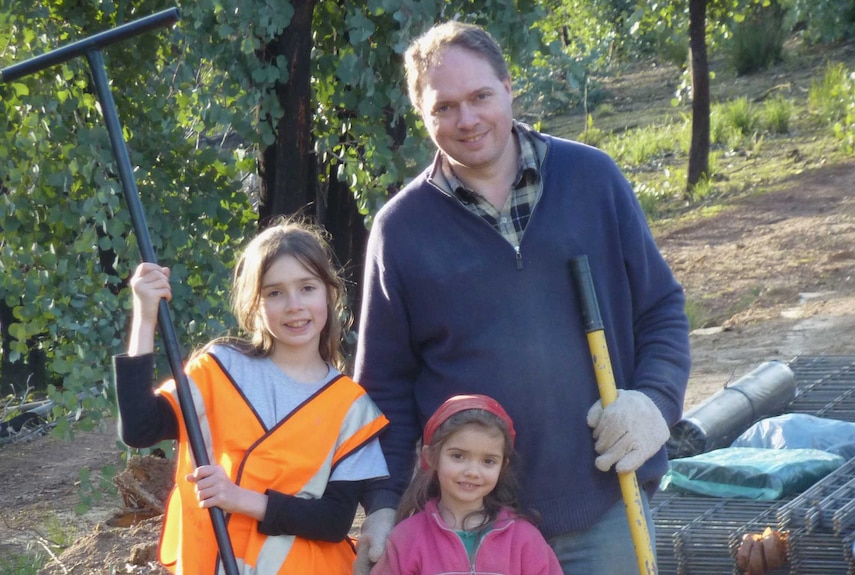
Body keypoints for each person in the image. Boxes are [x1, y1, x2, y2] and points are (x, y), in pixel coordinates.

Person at [353, 20, 691, 575]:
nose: (467, 120)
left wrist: (654, 401)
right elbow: (383, 391)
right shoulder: (401, 231)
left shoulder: (592, 179)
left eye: (480, 96)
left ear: (509, 87)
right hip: (469, 534)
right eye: (444, 107)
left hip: (602, 507)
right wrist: (385, 507)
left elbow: (660, 310)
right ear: (423, 115)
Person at [114, 218, 390, 574]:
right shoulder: (220, 369)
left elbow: (333, 521)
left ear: (329, 293)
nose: (294, 305)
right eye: (274, 293)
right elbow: (139, 428)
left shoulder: (352, 406)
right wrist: (146, 316)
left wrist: (241, 500)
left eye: (307, 288)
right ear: (254, 303)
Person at [371, 394, 564, 575]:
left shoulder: (524, 539)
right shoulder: (407, 539)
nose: (472, 472)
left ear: (502, 466)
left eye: (488, 461)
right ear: (431, 457)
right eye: (458, 456)